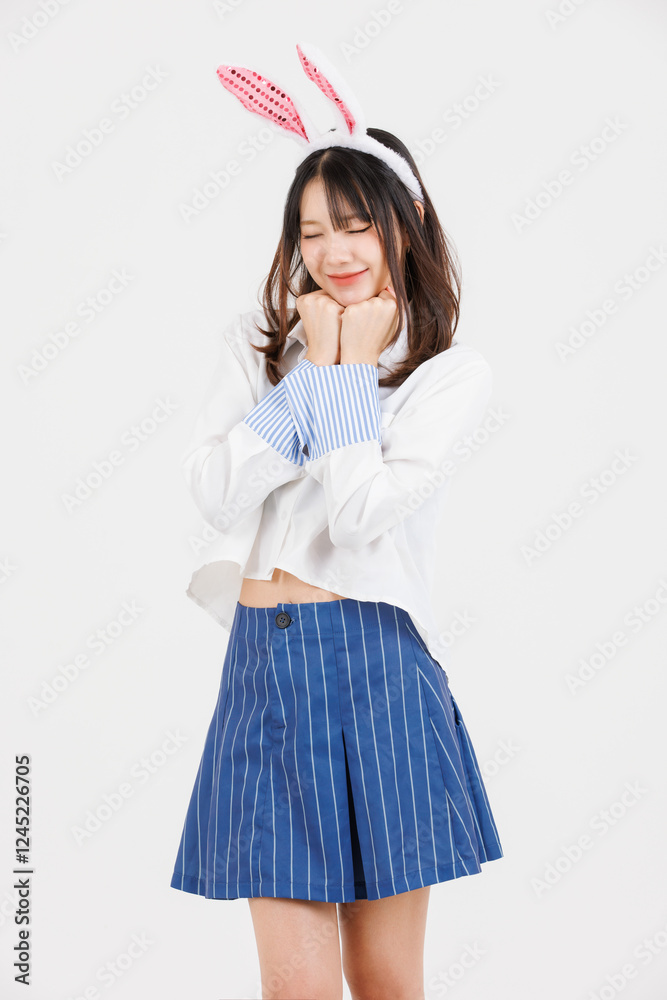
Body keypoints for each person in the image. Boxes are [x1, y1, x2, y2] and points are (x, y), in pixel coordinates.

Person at [170, 43, 504, 1000]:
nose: (333, 253)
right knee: (297, 989)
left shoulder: (448, 376)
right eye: (312, 233)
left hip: (378, 671)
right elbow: (211, 490)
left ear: (408, 223)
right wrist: (311, 374)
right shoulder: (258, 347)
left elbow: (359, 517)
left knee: (386, 979)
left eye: (355, 226)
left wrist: (347, 374)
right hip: (265, 666)